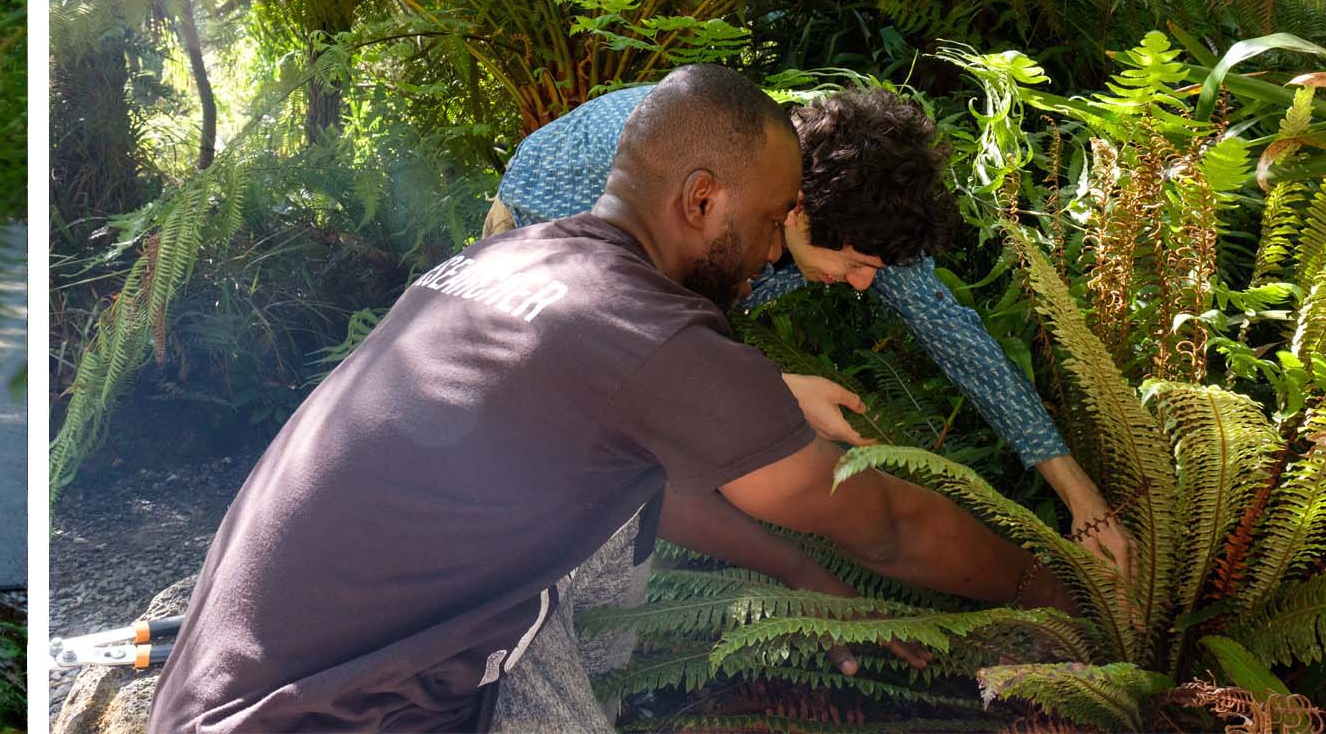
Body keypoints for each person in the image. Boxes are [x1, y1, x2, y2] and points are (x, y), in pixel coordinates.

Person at [148, 65, 1070, 734]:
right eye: (768, 219)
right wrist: (1053, 594)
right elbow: (889, 525)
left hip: (221, 687)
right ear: (703, 200)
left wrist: (801, 576)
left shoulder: (500, 261)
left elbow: (634, 488)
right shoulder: (655, 339)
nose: (769, 249)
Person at [490, 83, 1129, 571]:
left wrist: (1081, 498)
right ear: (793, 215)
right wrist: (768, 387)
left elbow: (961, 343)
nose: (861, 283)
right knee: (590, 457)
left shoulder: (851, 204)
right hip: (547, 222)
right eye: (853, 265)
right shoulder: (691, 198)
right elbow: (617, 340)